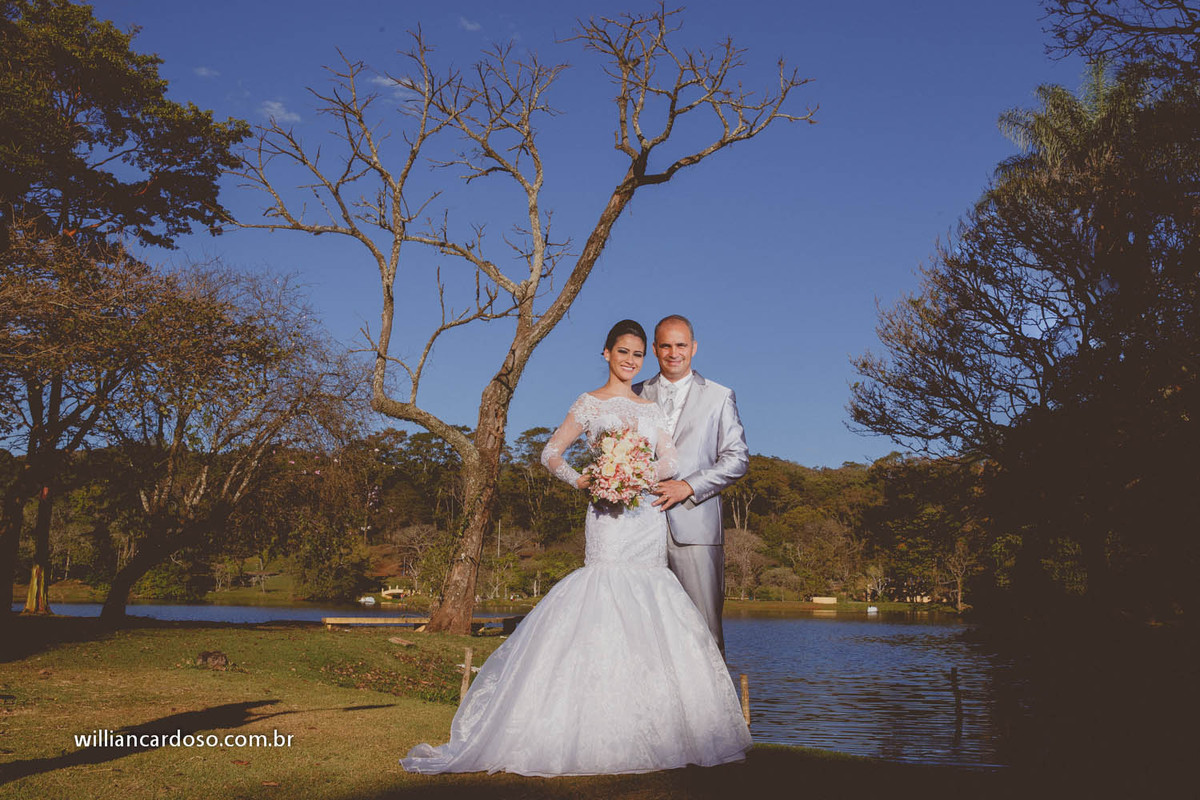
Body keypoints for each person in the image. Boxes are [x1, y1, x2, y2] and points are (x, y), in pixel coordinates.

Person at [400, 319, 751, 776]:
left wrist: (643, 473)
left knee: (661, 617)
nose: (633, 360)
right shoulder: (590, 403)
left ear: (690, 348)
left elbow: (672, 457)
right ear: (606, 353)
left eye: (638, 353)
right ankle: (586, 724)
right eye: (625, 351)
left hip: (648, 515)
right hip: (608, 517)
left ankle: (669, 727)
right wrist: (589, 478)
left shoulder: (656, 406)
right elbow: (551, 453)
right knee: (601, 605)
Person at [635, 315, 749, 656]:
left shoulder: (719, 396)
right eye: (666, 345)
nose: (673, 352)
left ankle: (716, 711)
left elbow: (737, 458)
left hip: (696, 528)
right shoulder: (635, 393)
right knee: (644, 632)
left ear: (694, 348)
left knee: (705, 634)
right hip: (639, 528)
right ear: (654, 349)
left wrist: (688, 486)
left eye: (681, 345)